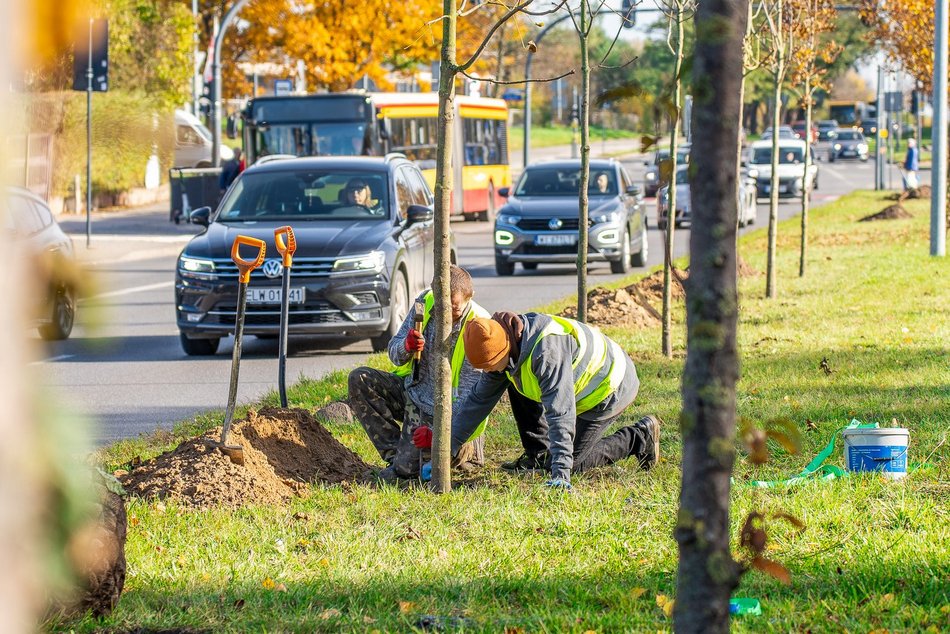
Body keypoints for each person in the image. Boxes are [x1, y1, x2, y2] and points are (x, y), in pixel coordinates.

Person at [448, 312, 660, 489]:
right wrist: (448, 448)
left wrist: (560, 472)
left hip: (610, 386)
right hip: (573, 386)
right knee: (512, 379)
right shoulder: (507, 341)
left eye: (490, 365)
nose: (488, 371)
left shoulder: (546, 353)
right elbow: (478, 401)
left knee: (574, 463)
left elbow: (561, 413)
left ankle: (640, 437)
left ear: (503, 349)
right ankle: (538, 455)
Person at [348, 266, 491, 481]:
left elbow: (472, 404)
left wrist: (437, 437)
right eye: (443, 307)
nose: (447, 315)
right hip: (416, 396)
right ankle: (399, 456)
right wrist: (406, 346)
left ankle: (463, 456)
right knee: (360, 379)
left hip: (451, 414)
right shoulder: (425, 302)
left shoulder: (479, 327)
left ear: (470, 298)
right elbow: (394, 353)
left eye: (454, 309)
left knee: (410, 472)